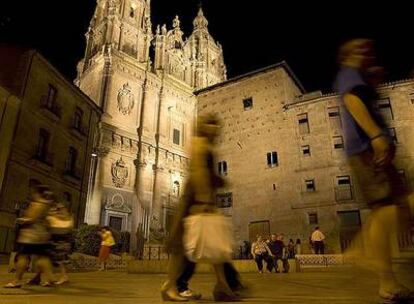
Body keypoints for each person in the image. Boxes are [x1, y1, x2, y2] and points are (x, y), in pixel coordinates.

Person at [335, 38, 414, 302]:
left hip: (372, 148)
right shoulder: (349, 74)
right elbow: (351, 99)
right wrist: (375, 135)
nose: (366, 50)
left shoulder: (360, 77)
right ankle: (382, 275)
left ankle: (364, 253)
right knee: (387, 209)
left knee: (399, 206)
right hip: (366, 149)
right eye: (359, 48)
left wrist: (374, 83)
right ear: (347, 55)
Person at [162, 114, 241, 302]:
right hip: (194, 202)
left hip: (198, 201)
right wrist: (204, 201)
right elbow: (198, 172)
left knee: (216, 246)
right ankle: (169, 286)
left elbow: (207, 173)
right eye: (210, 124)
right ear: (203, 126)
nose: (214, 129)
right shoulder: (199, 144)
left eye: (215, 125)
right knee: (181, 248)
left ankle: (222, 286)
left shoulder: (205, 145)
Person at [4, 185, 55, 288]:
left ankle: (17, 280)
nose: (32, 194)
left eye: (34, 192)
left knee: (23, 256)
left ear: (38, 193)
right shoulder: (47, 205)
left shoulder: (37, 204)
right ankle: (50, 278)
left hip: (30, 236)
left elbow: (31, 218)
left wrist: (21, 220)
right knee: (42, 257)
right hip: (42, 235)